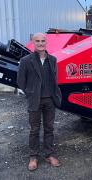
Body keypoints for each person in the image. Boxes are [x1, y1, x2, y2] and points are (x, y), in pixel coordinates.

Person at [17, 33, 62, 171]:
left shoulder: (52, 60)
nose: (41, 43)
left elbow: (55, 79)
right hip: (34, 100)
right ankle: (33, 157)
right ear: (33, 42)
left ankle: (49, 154)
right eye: (38, 41)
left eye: (43, 41)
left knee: (49, 128)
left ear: (46, 42)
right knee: (34, 129)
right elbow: (20, 81)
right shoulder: (26, 60)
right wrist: (30, 93)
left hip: (50, 100)